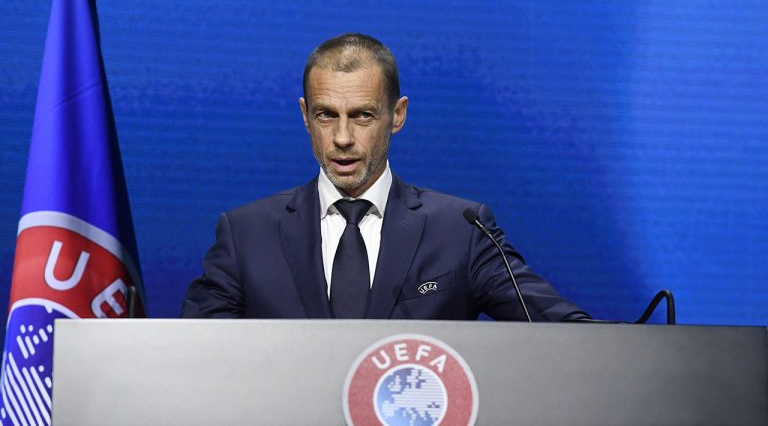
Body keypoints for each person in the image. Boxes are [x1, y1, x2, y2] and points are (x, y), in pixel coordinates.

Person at [181, 33, 589, 321]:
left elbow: (556, 328)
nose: (342, 138)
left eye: (362, 115)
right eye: (326, 115)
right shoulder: (245, 234)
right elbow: (194, 354)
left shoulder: (462, 231)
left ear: (397, 116)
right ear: (305, 115)